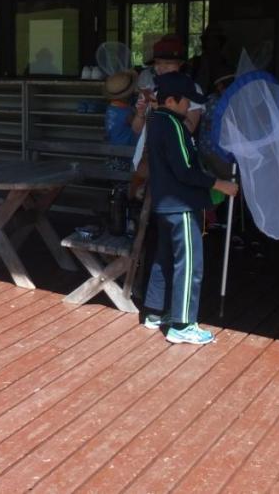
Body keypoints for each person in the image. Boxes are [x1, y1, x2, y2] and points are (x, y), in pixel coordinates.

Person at [142, 72, 239, 345]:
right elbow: (185, 171)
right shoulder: (173, 125)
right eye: (186, 102)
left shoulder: (155, 119)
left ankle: (155, 312)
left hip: (165, 204)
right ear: (171, 100)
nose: (189, 108)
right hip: (182, 204)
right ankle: (183, 325)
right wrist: (218, 183)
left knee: (163, 259)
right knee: (189, 263)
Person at [132, 35, 206, 135]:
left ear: (180, 64)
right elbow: (137, 130)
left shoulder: (191, 88)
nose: (162, 68)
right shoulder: (150, 88)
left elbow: (189, 130)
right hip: (151, 148)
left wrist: (161, 108)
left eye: (168, 63)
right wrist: (140, 113)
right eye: (158, 63)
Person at [104, 70, 139, 147]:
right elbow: (137, 127)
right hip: (127, 147)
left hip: (112, 145)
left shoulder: (110, 108)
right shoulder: (127, 112)